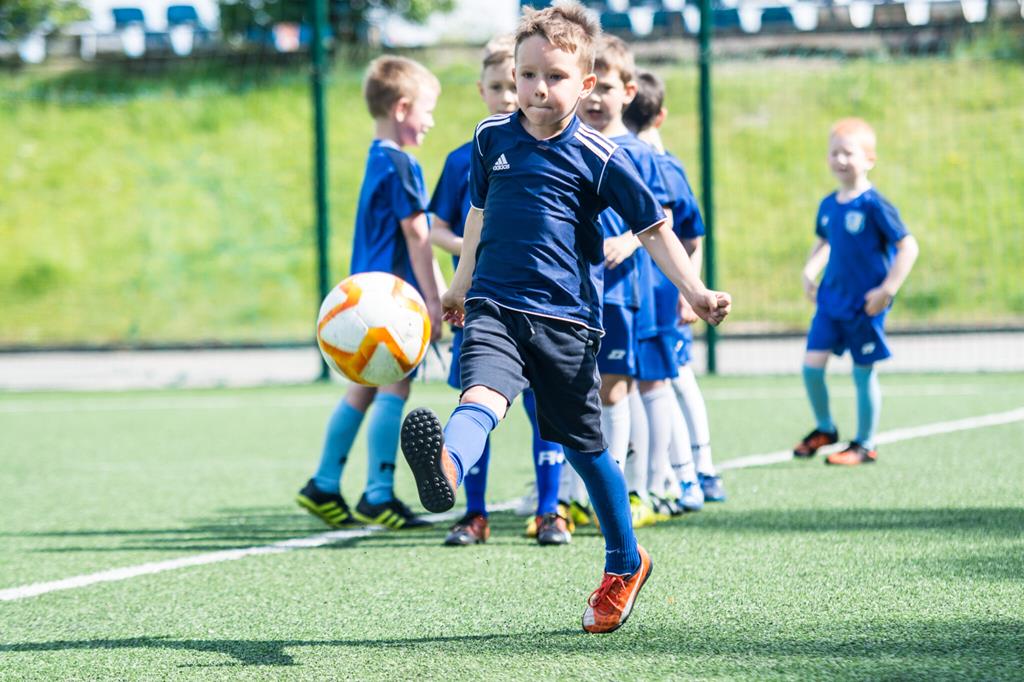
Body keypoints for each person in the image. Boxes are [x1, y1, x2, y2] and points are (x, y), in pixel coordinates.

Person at [399, 1, 730, 633]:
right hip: (494, 305)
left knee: (586, 449)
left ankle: (625, 562)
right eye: (526, 75)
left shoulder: (600, 156)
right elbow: (477, 215)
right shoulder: (489, 139)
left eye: (554, 77)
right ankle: (446, 467)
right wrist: (461, 285)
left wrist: (695, 290)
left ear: (585, 84)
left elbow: (654, 228)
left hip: (567, 324)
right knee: (481, 395)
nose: (537, 88)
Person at [428, 36, 571, 547]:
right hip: (479, 306)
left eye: (516, 85)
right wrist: (472, 252)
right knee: (476, 404)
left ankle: (551, 511)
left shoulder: (553, 150)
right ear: (482, 90)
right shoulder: (467, 155)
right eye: (498, 87)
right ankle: (474, 513)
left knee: (544, 412)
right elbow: (440, 227)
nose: (509, 96)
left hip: (539, 308)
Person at [296, 56, 445, 530]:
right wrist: (435, 299)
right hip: (388, 303)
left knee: (362, 389)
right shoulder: (401, 162)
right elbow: (417, 235)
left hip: (361, 297)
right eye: (427, 110)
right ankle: (378, 494)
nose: (430, 121)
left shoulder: (376, 156)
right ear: (402, 108)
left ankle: (323, 483)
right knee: (394, 386)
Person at [623, 70, 725, 508]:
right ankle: (670, 475)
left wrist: (689, 289)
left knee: (673, 379)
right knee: (647, 384)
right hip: (633, 293)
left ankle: (697, 472)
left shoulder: (661, 166)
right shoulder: (616, 157)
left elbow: (689, 234)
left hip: (662, 294)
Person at [794, 118, 919, 466]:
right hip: (830, 301)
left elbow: (908, 247)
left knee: (862, 372)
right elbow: (825, 242)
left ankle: (865, 444)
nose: (840, 159)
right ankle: (825, 429)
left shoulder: (875, 205)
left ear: (869, 160)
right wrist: (809, 271)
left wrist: (887, 290)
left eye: (848, 153)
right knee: (811, 368)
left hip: (864, 306)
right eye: (834, 152)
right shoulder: (828, 205)